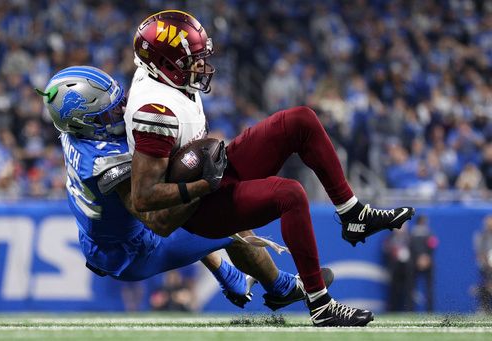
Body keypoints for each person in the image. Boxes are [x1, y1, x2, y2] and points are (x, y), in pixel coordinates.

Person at [125, 10, 415, 326]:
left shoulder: (163, 77)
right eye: (191, 60)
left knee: (300, 120)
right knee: (290, 193)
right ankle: (321, 305)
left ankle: (353, 213)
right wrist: (201, 185)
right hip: (194, 210)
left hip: (209, 174)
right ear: (164, 65)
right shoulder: (155, 111)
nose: (201, 65)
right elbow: (144, 198)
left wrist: (208, 173)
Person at [36, 66, 334, 311]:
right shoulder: (103, 160)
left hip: (101, 238)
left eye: (120, 103)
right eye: (109, 114)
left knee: (201, 211)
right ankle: (281, 287)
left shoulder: (74, 133)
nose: (122, 112)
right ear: (84, 123)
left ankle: (233, 277)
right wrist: (204, 184)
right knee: (224, 216)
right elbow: (157, 219)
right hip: (134, 250)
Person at [410, 215, 438, 312]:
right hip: (421, 262)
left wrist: (421, 258)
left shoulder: (414, 234)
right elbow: (433, 245)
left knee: (417, 287)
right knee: (424, 287)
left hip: (419, 262)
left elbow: (433, 244)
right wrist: (425, 257)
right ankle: (429, 310)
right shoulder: (427, 234)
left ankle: (412, 310)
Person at [474, 215, 492, 313]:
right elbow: (479, 252)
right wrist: (486, 263)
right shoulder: (481, 235)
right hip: (485, 266)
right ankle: (484, 308)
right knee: (485, 285)